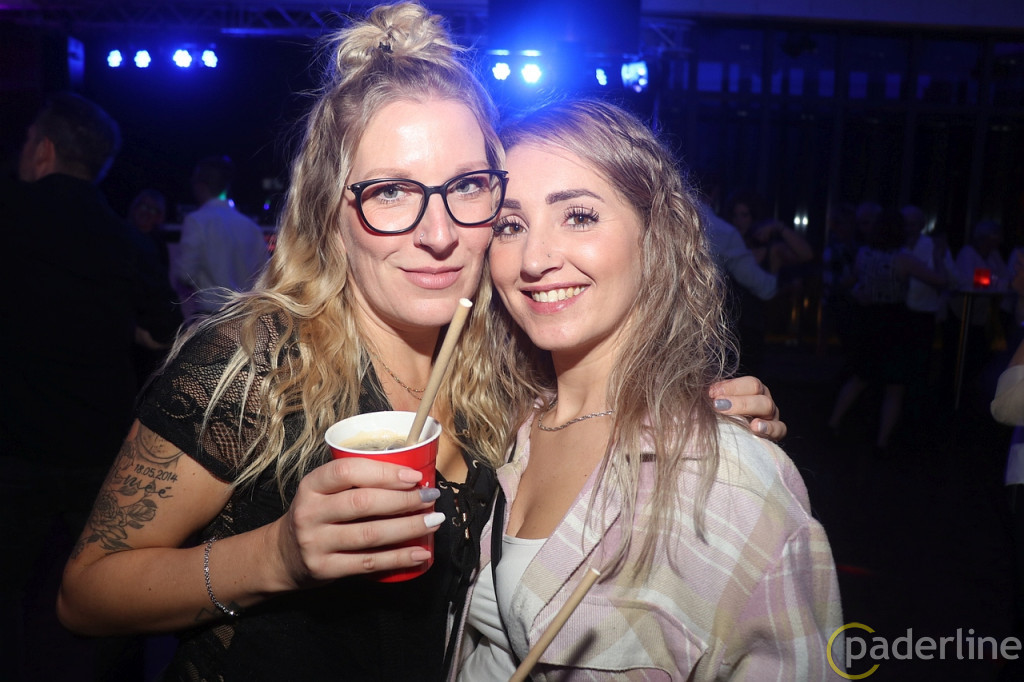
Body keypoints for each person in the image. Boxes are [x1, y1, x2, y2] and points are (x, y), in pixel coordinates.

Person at [57, 4, 783, 680]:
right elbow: (85, 596)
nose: (438, 235)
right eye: (391, 192)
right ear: (329, 212)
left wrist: (695, 412)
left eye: (466, 186)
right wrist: (276, 557)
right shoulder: (253, 363)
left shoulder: (503, 370)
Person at [451, 99, 842, 680]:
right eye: (510, 226)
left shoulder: (725, 479)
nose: (534, 259)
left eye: (578, 216)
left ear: (654, 235)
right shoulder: (496, 425)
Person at [0, 92, 152, 680]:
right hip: (97, 441)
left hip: (14, 442)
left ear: (43, 150)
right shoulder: (123, 239)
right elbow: (163, 329)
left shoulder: (11, 215)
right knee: (115, 588)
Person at [827, 208, 949, 451]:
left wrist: (853, 292)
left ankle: (832, 424)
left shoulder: (864, 253)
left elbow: (850, 281)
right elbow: (941, 280)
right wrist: (938, 254)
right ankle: (882, 442)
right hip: (894, 323)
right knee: (894, 386)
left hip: (868, 321)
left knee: (860, 377)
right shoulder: (903, 258)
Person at [172, 155, 269, 321]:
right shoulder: (251, 227)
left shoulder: (197, 221)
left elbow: (184, 274)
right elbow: (265, 275)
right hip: (246, 319)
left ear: (199, 184)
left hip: (211, 319)